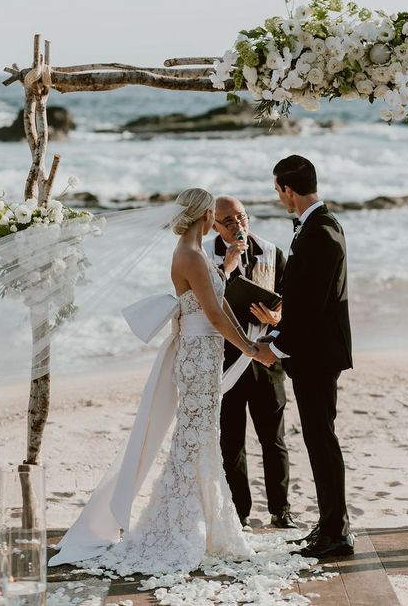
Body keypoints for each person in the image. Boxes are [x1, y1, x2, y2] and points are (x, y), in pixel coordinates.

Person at [49, 188, 274, 574]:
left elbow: (214, 301)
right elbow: (217, 316)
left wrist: (230, 273)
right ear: (205, 217)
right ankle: (179, 527)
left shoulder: (197, 255)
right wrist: (253, 350)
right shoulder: (191, 256)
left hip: (204, 355)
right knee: (195, 439)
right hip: (198, 359)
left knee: (201, 439)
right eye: (212, 214)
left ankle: (202, 526)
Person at [257, 155, 355, 559]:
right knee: (318, 440)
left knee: (322, 441)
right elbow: (303, 298)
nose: (279, 198)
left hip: (317, 357)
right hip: (313, 353)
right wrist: (278, 325)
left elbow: (315, 303)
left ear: (287, 189)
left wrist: (277, 347)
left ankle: (337, 532)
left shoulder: (322, 232)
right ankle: (329, 525)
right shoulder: (316, 227)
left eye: (278, 191)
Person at [204, 196, 295, 530]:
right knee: (232, 442)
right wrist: (226, 267)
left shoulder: (272, 251)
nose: (237, 225)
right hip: (226, 361)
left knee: (274, 439)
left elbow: (290, 301)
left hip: (266, 358)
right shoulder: (204, 256)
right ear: (213, 224)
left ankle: (280, 509)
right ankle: (239, 511)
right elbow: (200, 305)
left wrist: (275, 317)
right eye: (228, 221)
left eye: (241, 217)